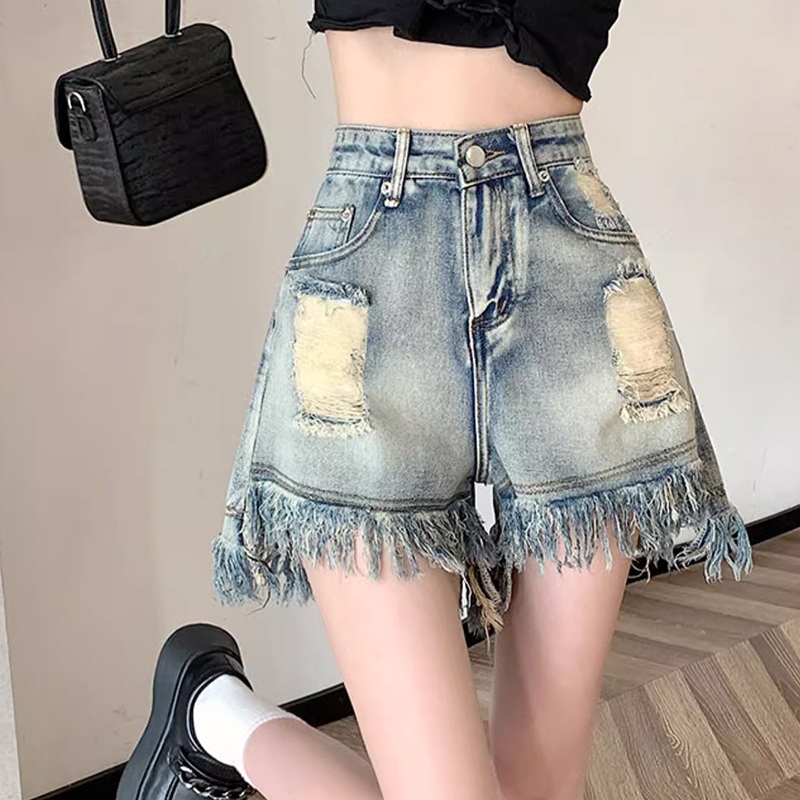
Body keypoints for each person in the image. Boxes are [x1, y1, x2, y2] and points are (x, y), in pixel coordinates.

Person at [118, 3, 754, 800]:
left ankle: (212, 719)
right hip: (375, 281)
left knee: (539, 785)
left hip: (572, 267)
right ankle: (217, 721)